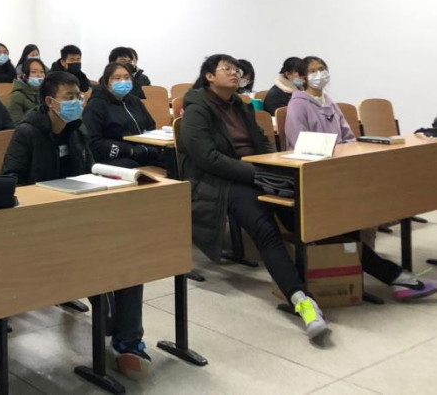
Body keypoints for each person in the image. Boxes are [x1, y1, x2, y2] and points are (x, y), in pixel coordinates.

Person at [1, 71, 150, 379]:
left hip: (77, 216)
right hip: (39, 223)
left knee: (128, 259)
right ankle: (120, 335)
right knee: (100, 264)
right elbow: (9, 182)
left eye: (79, 97)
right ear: (50, 102)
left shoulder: (78, 129)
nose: (77, 102)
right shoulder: (27, 132)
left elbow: (88, 171)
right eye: (69, 97)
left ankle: (128, 340)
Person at [179, 54, 327, 339]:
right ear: (209, 76)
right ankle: (301, 300)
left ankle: (385, 273)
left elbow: (262, 142)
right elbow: (208, 159)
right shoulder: (196, 109)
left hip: (257, 175)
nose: (235, 73)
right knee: (265, 229)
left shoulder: (241, 106)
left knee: (306, 213)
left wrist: (274, 167)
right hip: (219, 183)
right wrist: (256, 174)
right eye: (227, 69)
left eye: (236, 69)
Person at [285, 56, 437, 301]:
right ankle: (395, 277)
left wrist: (346, 155)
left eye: (322, 69)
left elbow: (348, 136)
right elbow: (298, 143)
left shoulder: (329, 102)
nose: (319, 74)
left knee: (366, 203)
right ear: (302, 78)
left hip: (340, 171)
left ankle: (388, 275)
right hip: (315, 176)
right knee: (340, 223)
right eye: (313, 71)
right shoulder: (298, 104)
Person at [83, 61, 161, 168]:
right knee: (132, 166)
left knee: (170, 160)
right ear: (106, 82)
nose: (123, 81)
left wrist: (150, 149)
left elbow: (150, 126)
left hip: (141, 154)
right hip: (113, 158)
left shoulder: (135, 101)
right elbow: (94, 142)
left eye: (127, 77)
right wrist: (130, 151)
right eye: (117, 78)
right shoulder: (96, 104)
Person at [6, 57, 45, 125]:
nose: (39, 75)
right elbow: (17, 124)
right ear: (25, 76)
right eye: (34, 72)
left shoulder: (46, 92)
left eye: (42, 72)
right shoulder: (16, 96)